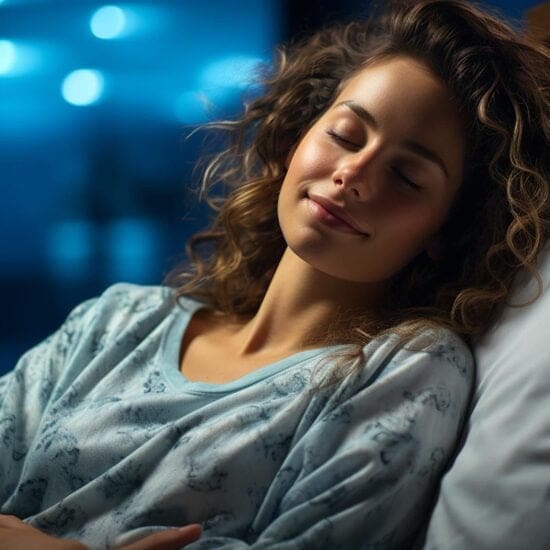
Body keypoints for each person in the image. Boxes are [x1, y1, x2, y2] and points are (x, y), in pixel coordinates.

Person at [0, 0, 548, 548]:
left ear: (445, 231)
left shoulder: (404, 367)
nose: (352, 175)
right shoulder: (114, 321)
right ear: (296, 141)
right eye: (345, 135)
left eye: (406, 176)